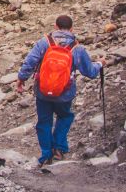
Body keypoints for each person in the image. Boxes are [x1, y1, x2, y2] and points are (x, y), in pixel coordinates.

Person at [17, 14, 104, 167]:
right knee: (65, 116)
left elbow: (30, 61)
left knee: (44, 121)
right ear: (72, 29)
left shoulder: (44, 42)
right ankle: (59, 148)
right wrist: (100, 64)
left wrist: (21, 78)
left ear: (55, 27)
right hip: (65, 93)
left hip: (43, 91)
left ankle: (46, 154)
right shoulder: (77, 48)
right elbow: (90, 72)